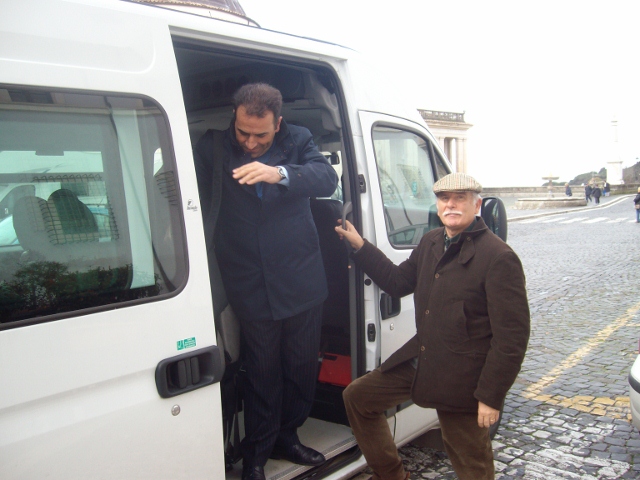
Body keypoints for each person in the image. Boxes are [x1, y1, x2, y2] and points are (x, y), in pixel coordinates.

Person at [335, 173, 530, 480]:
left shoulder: (498, 257)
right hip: (422, 359)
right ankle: (393, 475)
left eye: (460, 198)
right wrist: (360, 246)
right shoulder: (431, 241)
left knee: (471, 464)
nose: (450, 204)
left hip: (463, 377)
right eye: (443, 199)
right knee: (358, 397)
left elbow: (512, 339)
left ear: (477, 204)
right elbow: (398, 282)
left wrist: (491, 396)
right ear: (437, 205)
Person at [194, 83, 338, 480]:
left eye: (260, 134)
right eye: (243, 132)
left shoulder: (299, 140)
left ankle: (287, 437)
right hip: (248, 280)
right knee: (260, 371)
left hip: (301, 279)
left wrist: (279, 174)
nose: (251, 143)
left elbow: (326, 179)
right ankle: (255, 454)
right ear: (234, 120)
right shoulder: (214, 147)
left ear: (278, 124)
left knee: (300, 367)